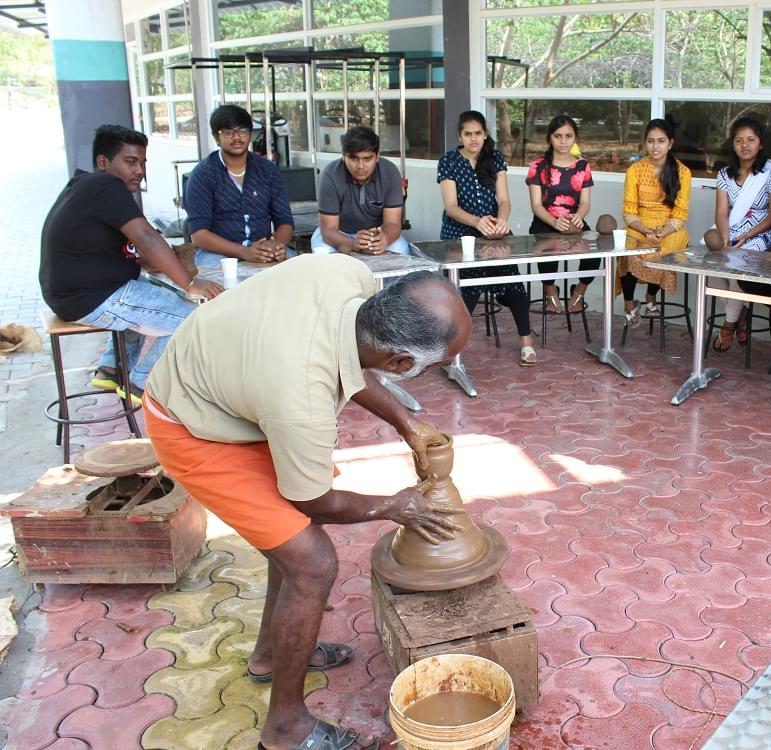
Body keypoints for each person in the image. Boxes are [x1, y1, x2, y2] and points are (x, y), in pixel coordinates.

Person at [143, 258, 471, 750]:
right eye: (441, 364)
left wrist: (408, 424)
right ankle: (285, 730)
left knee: (291, 543)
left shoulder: (348, 278)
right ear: (402, 363)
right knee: (312, 561)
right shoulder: (302, 398)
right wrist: (394, 506)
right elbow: (313, 500)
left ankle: (270, 656)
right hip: (192, 422)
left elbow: (351, 358)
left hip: (242, 389)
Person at [39, 125, 222, 403]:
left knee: (153, 290)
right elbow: (146, 237)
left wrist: (172, 274)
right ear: (103, 163)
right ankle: (141, 382)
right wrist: (190, 282)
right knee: (194, 317)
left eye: (142, 163)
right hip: (89, 297)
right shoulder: (106, 186)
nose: (139, 170)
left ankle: (111, 368)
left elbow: (143, 250)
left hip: (71, 293)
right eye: (130, 162)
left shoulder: (82, 185)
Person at [438, 110, 536, 366]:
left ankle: (526, 342)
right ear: (460, 135)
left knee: (513, 279)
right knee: (469, 281)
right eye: (468, 134)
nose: (473, 139)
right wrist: (476, 222)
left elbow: (504, 200)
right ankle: (453, 351)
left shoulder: (495, 158)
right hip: (460, 231)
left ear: (485, 134)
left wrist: (501, 220)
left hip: (494, 230)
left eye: (478, 133)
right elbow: (451, 207)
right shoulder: (449, 160)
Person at [703, 116, 771, 352]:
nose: (744, 145)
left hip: (761, 232)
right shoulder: (725, 173)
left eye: (750, 140)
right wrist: (724, 238)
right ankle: (740, 311)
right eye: (738, 141)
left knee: (740, 266)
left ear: (760, 143)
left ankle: (729, 323)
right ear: (733, 144)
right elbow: (722, 211)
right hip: (732, 229)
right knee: (708, 265)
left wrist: (745, 237)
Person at [184, 104, 294, 267]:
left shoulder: (267, 170)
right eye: (228, 132)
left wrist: (277, 245)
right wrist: (245, 252)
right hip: (219, 254)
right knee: (224, 282)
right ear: (216, 137)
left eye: (242, 131)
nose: (237, 137)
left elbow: (284, 220)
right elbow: (199, 235)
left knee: (296, 270)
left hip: (263, 250)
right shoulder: (203, 174)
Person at [618, 118, 692, 326]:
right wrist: (644, 229)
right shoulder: (635, 170)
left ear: (670, 143)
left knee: (663, 252)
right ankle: (629, 303)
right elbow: (629, 211)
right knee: (627, 252)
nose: (655, 146)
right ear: (645, 143)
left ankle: (651, 297)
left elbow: (680, 214)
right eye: (650, 141)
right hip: (639, 226)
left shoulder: (683, 172)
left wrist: (663, 231)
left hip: (670, 228)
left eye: (661, 141)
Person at [526, 115, 599, 314]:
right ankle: (550, 291)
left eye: (568, 136)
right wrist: (554, 222)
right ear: (550, 138)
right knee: (546, 250)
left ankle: (580, 291)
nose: (564, 141)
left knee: (596, 250)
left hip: (573, 221)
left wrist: (578, 216)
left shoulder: (582, 166)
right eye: (558, 136)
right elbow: (536, 205)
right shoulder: (538, 166)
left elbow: (584, 202)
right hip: (545, 220)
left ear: (575, 137)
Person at [312, 125, 409, 256]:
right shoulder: (330, 174)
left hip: (377, 233)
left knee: (401, 251)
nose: (360, 166)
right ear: (343, 156)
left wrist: (383, 240)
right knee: (322, 252)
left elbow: (392, 223)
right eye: (353, 158)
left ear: (377, 156)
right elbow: (328, 230)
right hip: (340, 233)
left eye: (367, 159)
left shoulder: (390, 172)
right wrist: (353, 244)